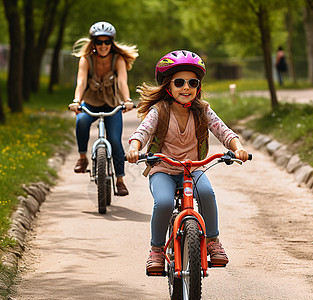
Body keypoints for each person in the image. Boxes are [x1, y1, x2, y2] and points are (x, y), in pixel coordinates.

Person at [125, 50, 249, 273]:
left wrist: (238, 148)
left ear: (198, 87)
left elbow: (224, 131)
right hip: (163, 170)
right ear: (168, 87)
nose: (186, 88)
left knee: (208, 194)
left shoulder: (203, 111)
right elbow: (142, 132)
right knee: (163, 202)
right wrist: (134, 149)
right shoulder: (159, 111)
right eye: (179, 82)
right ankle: (156, 250)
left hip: (192, 170)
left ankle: (213, 241)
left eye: (192, 83)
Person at [69, 21, 138, 196]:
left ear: (112, 42)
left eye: (107, 42)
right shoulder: (86, 59)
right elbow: (81, 81)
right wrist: (77, 101)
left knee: (115, 140)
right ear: (93, 43)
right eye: (99, 42)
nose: (103, 46)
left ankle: (120, 180)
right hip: (90, 102)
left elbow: (122, 82)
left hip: (112, 104)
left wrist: (127, 100)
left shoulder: (118, 59)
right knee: (82, 120)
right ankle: (83, 158)